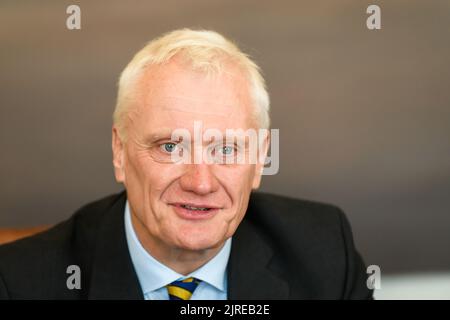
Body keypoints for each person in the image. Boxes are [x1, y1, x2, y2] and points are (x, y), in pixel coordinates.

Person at [0, 29, 372, 300]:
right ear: (119, 150)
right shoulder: (19, 283)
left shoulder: (324, 253)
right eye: (171, 146)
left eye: (226, 150)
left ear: (260, 159)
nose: (200, 182)